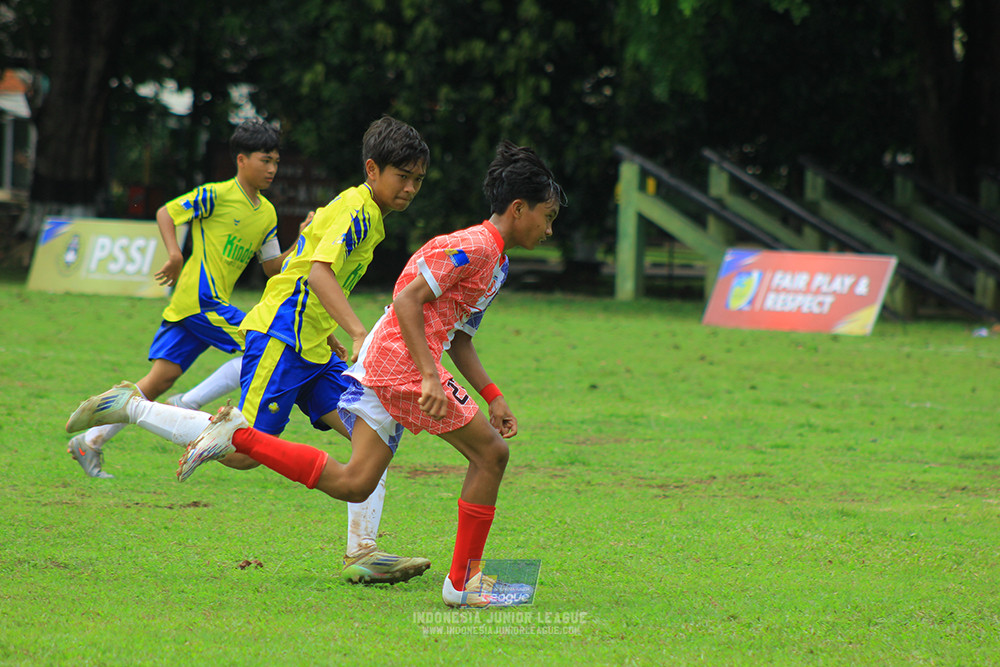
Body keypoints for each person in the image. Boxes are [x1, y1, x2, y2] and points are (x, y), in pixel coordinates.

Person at [66, 140, 566, 607]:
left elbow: (458, 335)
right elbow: (404, 297)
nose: (549, 231)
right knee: (491, 455)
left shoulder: (492, 262)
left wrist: (492, 394)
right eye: (547, 218)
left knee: (356, 480)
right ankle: (464, 582)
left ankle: (358, 547)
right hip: (373, 357)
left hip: (363, 354)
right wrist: (416, 371)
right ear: (518, 208)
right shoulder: (471, 244)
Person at [69, 116, 434, 586]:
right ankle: (130, 406)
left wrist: (329, 333)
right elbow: (320, 273)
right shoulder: (356, 210)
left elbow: (303, 270)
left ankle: (363, 551)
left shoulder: (368, 214)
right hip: (281, 338)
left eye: (418, 180)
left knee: (373, 437)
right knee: (243, 454)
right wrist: (357, 329)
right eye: (402, 177)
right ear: (372, 170)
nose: (410, 188)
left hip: (313, 348)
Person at [67, 119, 292, 479]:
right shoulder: (217, 194)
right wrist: (174, 254)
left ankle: (90, 441)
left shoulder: (266, 213)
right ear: (241, 160)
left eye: (276, 161)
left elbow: (272, 268)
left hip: (196, 308)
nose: (272, 169)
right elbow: (167, 213)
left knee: (159, 380)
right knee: (262, 343)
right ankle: (190, 405)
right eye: (265, 160)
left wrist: (306, 243)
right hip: (201, 301)